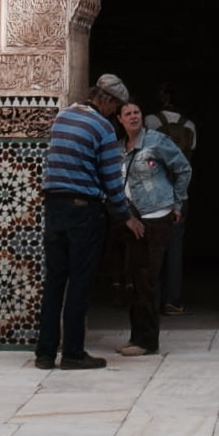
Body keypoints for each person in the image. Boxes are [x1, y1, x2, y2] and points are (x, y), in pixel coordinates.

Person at [36, 71, 141, 369]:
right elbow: (111, 181)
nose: (115, 111)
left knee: (55, 281)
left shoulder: (64, 117)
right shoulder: (103, 128)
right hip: (83, 210)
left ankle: (44, 354)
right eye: (115, 105)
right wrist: (126, 216)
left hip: (54, 208)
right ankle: (72, 353)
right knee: (80, 282)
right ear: (105, 100)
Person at [116, 98, 191, 356]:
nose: (134, 116)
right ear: (120, 120)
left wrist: (178, 203)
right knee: (135, 279)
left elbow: (183, 168)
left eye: (137, 111)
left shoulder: (157, 142)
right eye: (128, 113)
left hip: (157, 216)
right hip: (133, 219)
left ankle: (148, 341)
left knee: (147, 278)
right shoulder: (119, 149)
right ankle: (136, 336)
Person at [152, 86, 197, 316]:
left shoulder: (150, 121)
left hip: (153, 195)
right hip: (180, 194)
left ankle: (150, 298)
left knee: (151, 246)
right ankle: (172, 300)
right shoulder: (189, 126)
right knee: (175, 247)